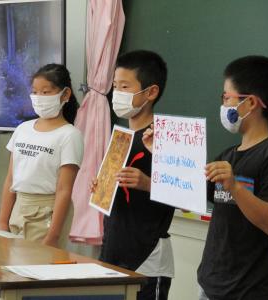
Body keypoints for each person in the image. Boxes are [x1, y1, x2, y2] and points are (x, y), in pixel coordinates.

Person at [196, 56, 268, 300]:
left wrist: (235, 187)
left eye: (227, 97)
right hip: (212, 285)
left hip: (252, 291)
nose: (223, 104)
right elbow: (189, 192)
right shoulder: (227, 156)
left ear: (250, 103)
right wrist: (160, 152)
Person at [94, 50, 175, 300]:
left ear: (151, 92)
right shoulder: (120, 137)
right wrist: (101, 188)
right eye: (115, 86)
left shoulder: (167, 137)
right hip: (113, 249)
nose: (117, 94)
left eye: (125, 87)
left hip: (147, 256)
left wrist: (149, 183)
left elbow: (186, 191)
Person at [0, 64, 84, 248]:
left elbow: (64, 190)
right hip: (18, 210)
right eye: (35, 92)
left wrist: (53, 235)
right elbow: (10, 180)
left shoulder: (69, 135)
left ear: (65, 94)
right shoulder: (22, 129)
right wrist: (2, 223)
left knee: (34, 271)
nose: (39, 98)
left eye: (46, 92)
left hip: (46, 213)